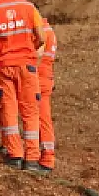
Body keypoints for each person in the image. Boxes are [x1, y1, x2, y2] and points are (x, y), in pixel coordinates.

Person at [0, 0, 44, 169]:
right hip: (26, 64)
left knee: (8, 109)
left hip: (3, 65)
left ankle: (14, 155)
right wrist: (28, 48)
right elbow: (41, 37)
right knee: (30, 110)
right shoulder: (28, 7)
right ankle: (32, 158)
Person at [35, 14, 59, 173]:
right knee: (42, 117)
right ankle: (42, 154)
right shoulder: (49, 29)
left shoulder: (42, 31)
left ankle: (47, 157)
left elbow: (38, 54)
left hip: (38, 78)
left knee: (42, 118)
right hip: (45, 77)